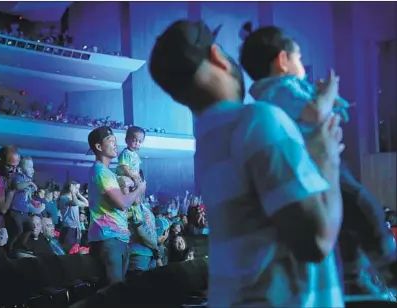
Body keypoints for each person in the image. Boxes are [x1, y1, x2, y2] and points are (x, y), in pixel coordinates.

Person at [149, 20, 344, 307]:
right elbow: (317, 241)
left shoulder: (209, 141)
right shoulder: (258, 121)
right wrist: (328, 159)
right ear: (218, 56)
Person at [240, 25, 396, 284]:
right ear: (282, 61)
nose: (301, 62)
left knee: (346, 221)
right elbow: (314, 113)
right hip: (316, 166)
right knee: (364, 205)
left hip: (318, 165)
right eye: (298, 56)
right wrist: (329, 93)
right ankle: (390, 266)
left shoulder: (280, 92)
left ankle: (353, 279)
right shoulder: (278, 89)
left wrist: (326, 100)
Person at [87, 126, 146, 285]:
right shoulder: (101, 172)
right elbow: (122, 203)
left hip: (117, 238)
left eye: (115, 141)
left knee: (116, 291)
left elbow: (128, 201)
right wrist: (139, 189)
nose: (115, 144)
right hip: (109, 238)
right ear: (99, 147)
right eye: (110, 141)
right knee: (112, 293)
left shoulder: (108, 173)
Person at [5, 156, 38, 254]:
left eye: (32, 167)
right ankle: (9, 246)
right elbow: (18, 187)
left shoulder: (28, 179)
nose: (32, 169)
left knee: (30, 227)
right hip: (15, 210)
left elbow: (27, 196)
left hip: (25, 211)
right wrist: (30, 183)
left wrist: (33, 202)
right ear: (20, 169)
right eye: (29, 167)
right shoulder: (18, 176)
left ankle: (20, 244)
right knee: (17, 229)